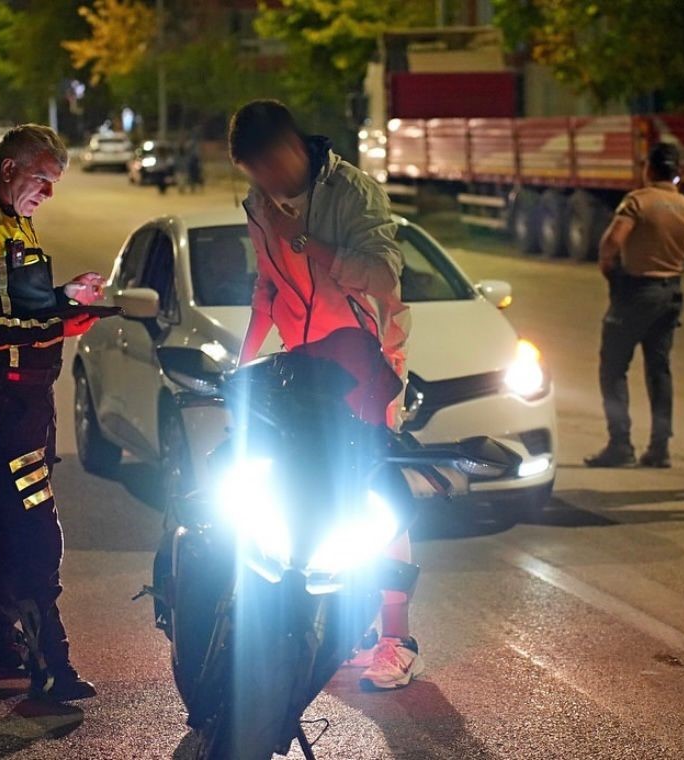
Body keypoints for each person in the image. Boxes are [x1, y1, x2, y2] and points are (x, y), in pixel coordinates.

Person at [230, 99, 417, 690]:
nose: (262, 184)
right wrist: (243, 363)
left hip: (362, 362)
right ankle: (333, 613)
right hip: (301, 367)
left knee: (376, 489)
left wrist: (305, 239)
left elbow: (384, 274)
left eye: (267, 168)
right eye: (251, 175)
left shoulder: (352, 193)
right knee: (305, 488)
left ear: (290, 148)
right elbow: (266, 285)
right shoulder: (260, 204)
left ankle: (396, 637)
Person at [0, 124, 104, 701]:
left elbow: (17, 304)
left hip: (30, 395)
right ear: (10, 169)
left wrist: (64, 298)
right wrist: (55, 323)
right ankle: (48, 663)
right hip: (0, 399)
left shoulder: (13, 222)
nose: (48, 195)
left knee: (13, 517)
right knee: (34, 523)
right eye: (43, 181)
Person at [585, 143, 684, 469]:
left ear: (648, 168)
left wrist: (610, 271)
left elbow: (612, 242)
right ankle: (660, 447)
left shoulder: (638, 201)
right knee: (659, 370)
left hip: (637, 291)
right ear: (676, 171)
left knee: (613, 367)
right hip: (672, 292)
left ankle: (620, 444)